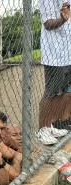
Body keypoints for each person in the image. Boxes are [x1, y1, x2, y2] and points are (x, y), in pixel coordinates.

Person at [37, 0, 71, 145]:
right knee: (50, 94)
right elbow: (47, 24)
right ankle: (42, 129)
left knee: (61, 93)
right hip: (54, 54)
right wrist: (62, 19)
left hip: (67, 52)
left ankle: (50, 126)